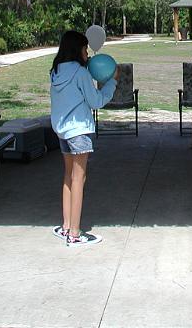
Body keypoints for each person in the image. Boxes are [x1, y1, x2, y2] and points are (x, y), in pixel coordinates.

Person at [50, 30, 118, 247]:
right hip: (79, 130)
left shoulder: (56, 71)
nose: (87, 54)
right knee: (79, 179)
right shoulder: (80, 73)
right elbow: (96, 101)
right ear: (77, 49)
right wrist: (112, 83)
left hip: (62, 130)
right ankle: (76, 234)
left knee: (68, 177)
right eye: (85, 49)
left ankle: (66, 226)